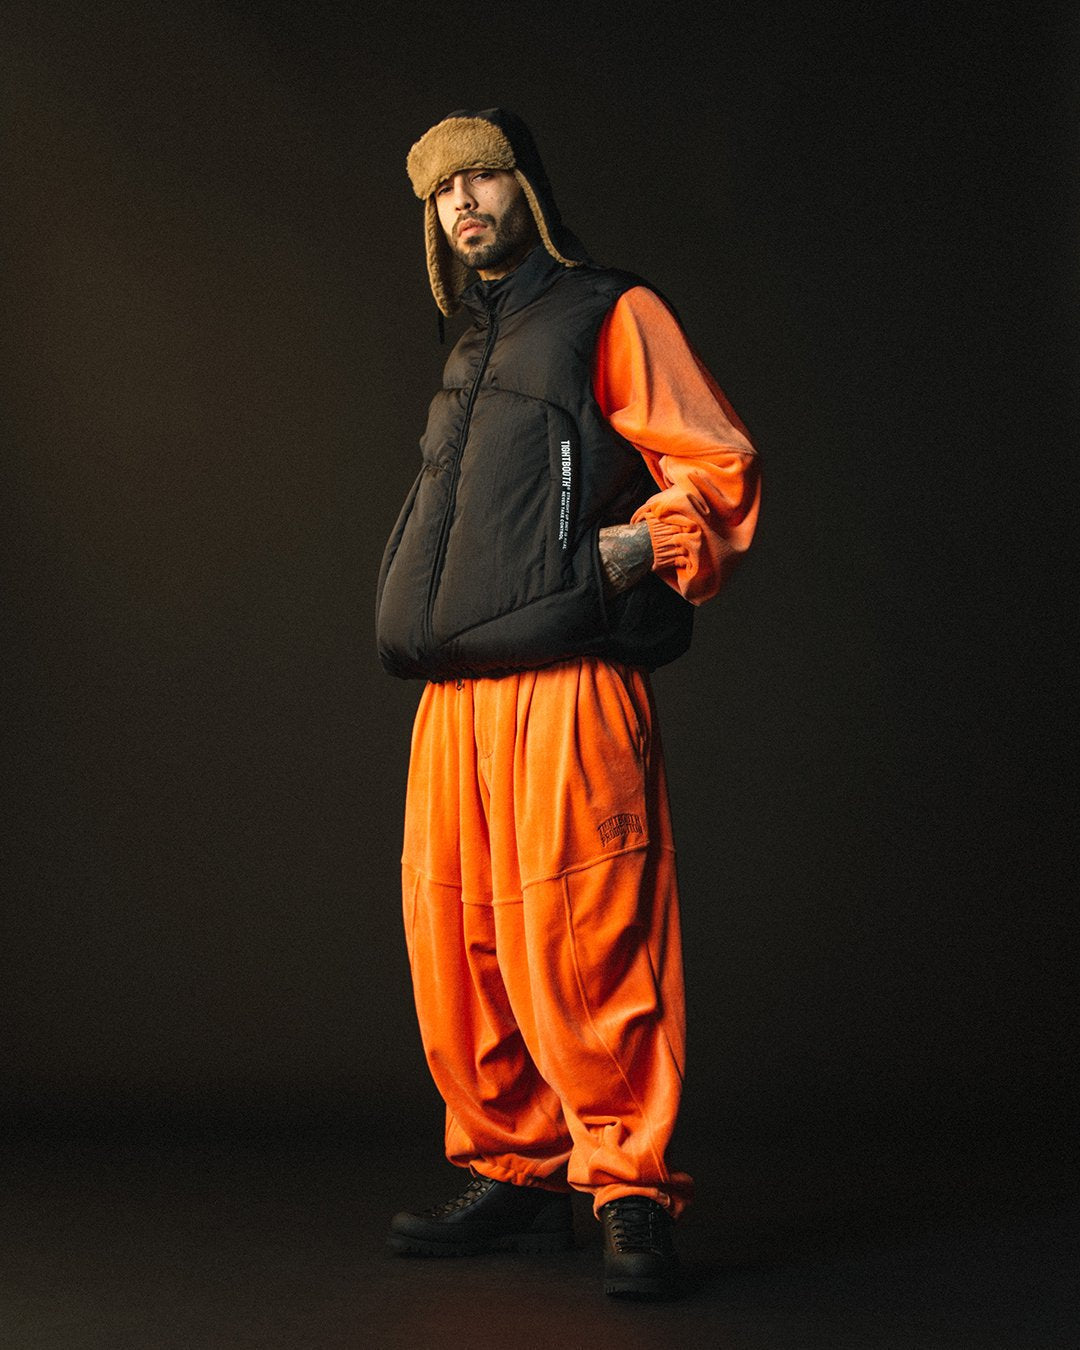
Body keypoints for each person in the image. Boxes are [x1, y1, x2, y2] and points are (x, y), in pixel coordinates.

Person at [376, 107, 759, 1299]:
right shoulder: (468, 346)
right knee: (463, 946)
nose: (464, 204)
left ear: (526, 189)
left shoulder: (609, 310)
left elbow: (715, 462)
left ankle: (630, 1191)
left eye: (482, 178)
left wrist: (635, 551)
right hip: (457, 696)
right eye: (443, 192)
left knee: (587, 938)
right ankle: (520, 1173)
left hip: (569, 685)